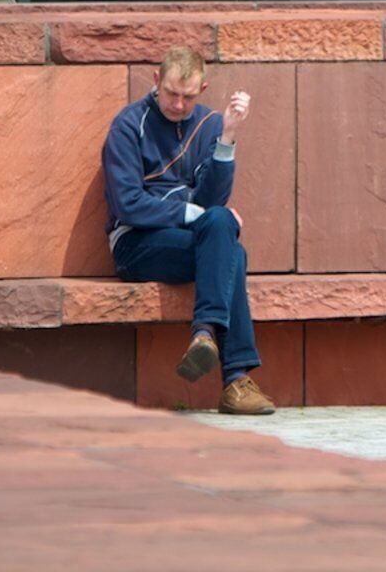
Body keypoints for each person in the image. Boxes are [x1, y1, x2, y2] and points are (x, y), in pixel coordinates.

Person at [104, 46, 269, 415]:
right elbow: (128, 204)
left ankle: (204, 335)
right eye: (172, 94)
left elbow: (213, 199)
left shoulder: (208, 124)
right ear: (156, 81)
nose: (178, 105)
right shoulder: (129, 125)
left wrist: (227, 137)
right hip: (136, 243)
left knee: (223, 228)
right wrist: (195, 214)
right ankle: (236, 378)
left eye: (189, 97)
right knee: (231, 248)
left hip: (190, 240)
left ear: (203, 89)